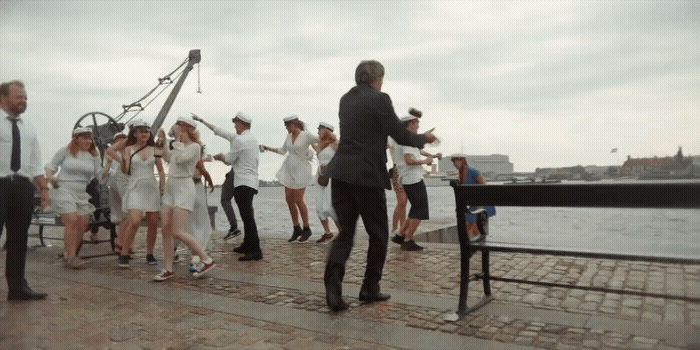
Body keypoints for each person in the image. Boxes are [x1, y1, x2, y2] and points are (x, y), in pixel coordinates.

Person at [323, 60, 438, 311]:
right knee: (378, 234)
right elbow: (401, 135)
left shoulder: (345, 99)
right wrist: (425, 138)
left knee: (345, 234)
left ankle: (333, 290)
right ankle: (369, 288)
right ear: (377, 79)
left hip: (341, 173)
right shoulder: (380, 99)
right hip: (366, 175)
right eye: (382, 79)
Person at [0, 80, 48, 300]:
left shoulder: (28, 127)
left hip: (22, 186)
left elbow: (36, 162)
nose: (23, 101)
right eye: (19, 96)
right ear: (3, 97)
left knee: (19, 239)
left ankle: (18, 288)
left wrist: (43, 188)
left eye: (25, 97)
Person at [154, 117, 215, 281]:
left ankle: (205, 259)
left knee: (178, 231)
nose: (175, 128)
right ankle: (168, 268)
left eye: (178, 125)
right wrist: (163, 141)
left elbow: (181, 159)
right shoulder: (177, 146)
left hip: (184, 189)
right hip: (171, 188)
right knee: (166, 229)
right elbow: (165, 157)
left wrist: (178, 141)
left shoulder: (195, 147)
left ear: (186, 128)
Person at [196, 112, 263, 261]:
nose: (234, 126)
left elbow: (229, 159)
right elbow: (220, 131)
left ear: (241, 123)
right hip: (250, 182)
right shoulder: (250, 139)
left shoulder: (240, 140)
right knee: (247, 216)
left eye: (236, 123)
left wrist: (220, 156)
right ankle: (247, 244)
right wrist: (202, 120)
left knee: (247, 217)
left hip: (242, 182)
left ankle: (255, 250)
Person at [106, 119, 165, 267]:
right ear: (135, 133)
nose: (144, 134)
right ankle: (124, 252)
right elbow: (113, 155)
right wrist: (123, 158)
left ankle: (150, 253)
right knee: (135, 220)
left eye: (146, 131)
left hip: (151, 186)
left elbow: (161, 170)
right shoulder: (128, 148)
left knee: (152, 222)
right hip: (135, 187)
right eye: (141, 131)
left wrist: (163, 187)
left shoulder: (155, 148)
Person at [45, 127, 102, 269]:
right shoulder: (65, 151)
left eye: (90, 138)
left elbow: (99, 174)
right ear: (76, 138)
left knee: (83, 223)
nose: (89, 141)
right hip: (64, 189)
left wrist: (109, 168)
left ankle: (69, 251)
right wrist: (50, 176)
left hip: (81, 193)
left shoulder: (94, 155)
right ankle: (71, 257)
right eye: (85, 137)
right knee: (71, 220)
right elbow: (51, 166)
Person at [260, 115, 318, 242]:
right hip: (289, 169)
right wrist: (267, 147)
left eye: (287, 126)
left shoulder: (306, 135)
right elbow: (282, 151)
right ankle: (296, 228)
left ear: (294, 123)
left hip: (302, 170)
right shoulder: (288, 137)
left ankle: (307, 228)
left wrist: (332, 139)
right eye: (285, 126)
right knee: (289, 199)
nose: (286, 128)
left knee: (298, 200)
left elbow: (320, 139)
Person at [391, 115, 434, 251]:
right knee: (420, 210)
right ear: (410, 123)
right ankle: (408, 240)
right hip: (412, 178)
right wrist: (425, 161)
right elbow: (409, 159)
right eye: (416, 123)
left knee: (415, 208)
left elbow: (416, 150)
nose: (418, 125)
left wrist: (427, 154)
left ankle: (399, 235)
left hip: (408, 178)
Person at [450, 153, 496, 241]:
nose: (453, 164)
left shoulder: (472, 171)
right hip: (474, 204)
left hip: (482, 203)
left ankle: (480, 247)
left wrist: (480, 206)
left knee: (475, 227)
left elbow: (484, 186)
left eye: (454, 161)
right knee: (467, 226)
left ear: (461, 160)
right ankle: (469, 247)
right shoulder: (461, 173)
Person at [100, 132, 129, 258]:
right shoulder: (124, 153)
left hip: (113, 185)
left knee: (123, 216)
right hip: (121, 185)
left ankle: (123, 244)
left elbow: (106, 171)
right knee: (127, 215)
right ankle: (122, 243)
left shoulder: (109, 152)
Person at [313, 122, 340, 244]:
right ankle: (327, 233)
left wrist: (331, 164)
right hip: (320, 176)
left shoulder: (335, 144)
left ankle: (343, 233)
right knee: (319, 206)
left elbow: (344, 157)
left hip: (333, 176)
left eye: (320, 129)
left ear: (327, 130)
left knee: (330, 206)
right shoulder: (320, 144)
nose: (318, 131)